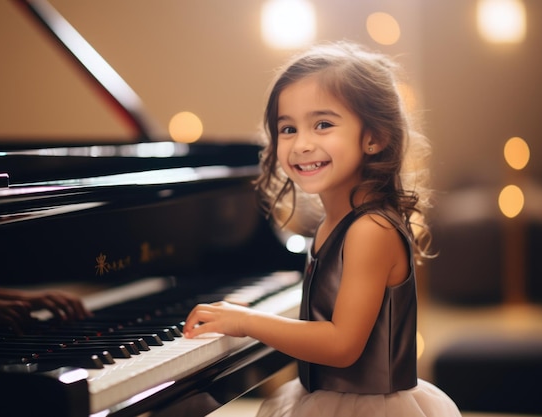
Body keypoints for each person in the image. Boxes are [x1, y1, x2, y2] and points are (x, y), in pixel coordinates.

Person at [182, 41, 461, 417]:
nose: (302, 144)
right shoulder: (333, 223)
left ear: (374, 137)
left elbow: (341, 344)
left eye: (323, 124)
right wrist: (254, 317)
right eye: (288, 128)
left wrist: (250, 322)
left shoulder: (370, 229)